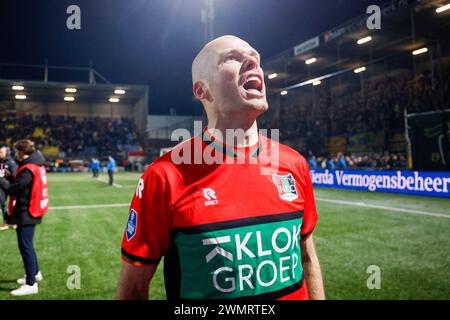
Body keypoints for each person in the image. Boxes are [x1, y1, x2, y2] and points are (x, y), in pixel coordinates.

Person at [116, 35, 325, 300]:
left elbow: (307, 258)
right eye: (232, 58)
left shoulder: (294, 164)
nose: (253, 62)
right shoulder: (165, 176)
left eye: (255, 57)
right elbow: (133, 290)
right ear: (201, 90)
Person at [0, 139, 49, 296]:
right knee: (28, 245)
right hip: (30, 210)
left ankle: (31, 284)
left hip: (27, 211)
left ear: (23, 151)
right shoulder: (35, 163)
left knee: (25, 247)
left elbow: (14, 189)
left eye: (17, 150)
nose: (15, 153)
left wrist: (1, 179)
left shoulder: (29, 168)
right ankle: (34, 274)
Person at [0, 146, 18, 230]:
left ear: (6, 153)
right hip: (1, 187)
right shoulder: (0, 162)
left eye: (1, 152)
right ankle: (6, 222)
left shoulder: (11, 163)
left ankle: (14, 221)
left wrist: (8, 174)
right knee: (3, 204)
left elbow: (15, 176)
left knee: (13, 205)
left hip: (11, 187)